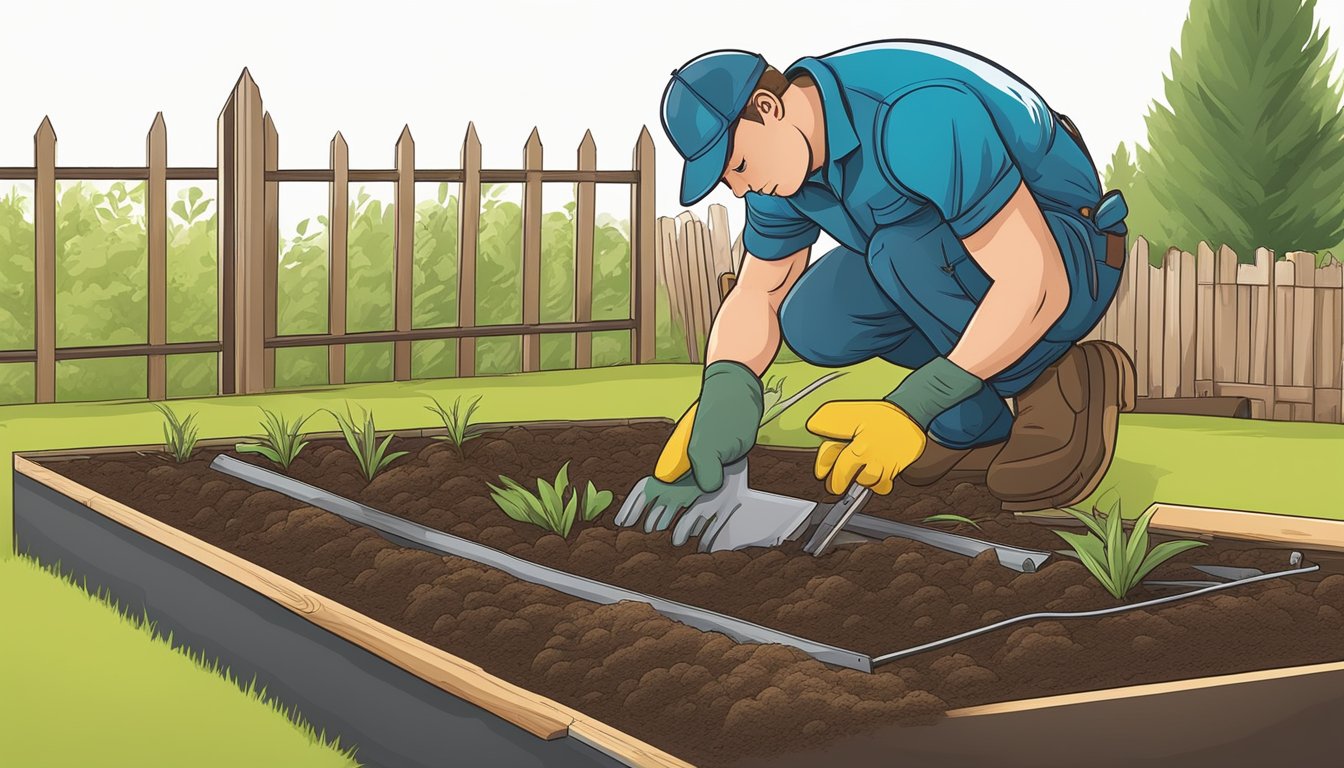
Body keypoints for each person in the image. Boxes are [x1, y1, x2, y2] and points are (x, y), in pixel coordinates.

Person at [642, 40, 1136, 524]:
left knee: (898, 251)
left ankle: (1055, 382)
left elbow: (1036, 281)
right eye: (730, 180)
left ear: (768, 107)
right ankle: (971, 423)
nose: (742, 188)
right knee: (814, 318)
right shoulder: (782, 164)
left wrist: (911, 404)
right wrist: (725, 387)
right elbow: (759, 291)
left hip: (1071, 249)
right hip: (942, 258)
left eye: (740, 167)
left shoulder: (914, 115)